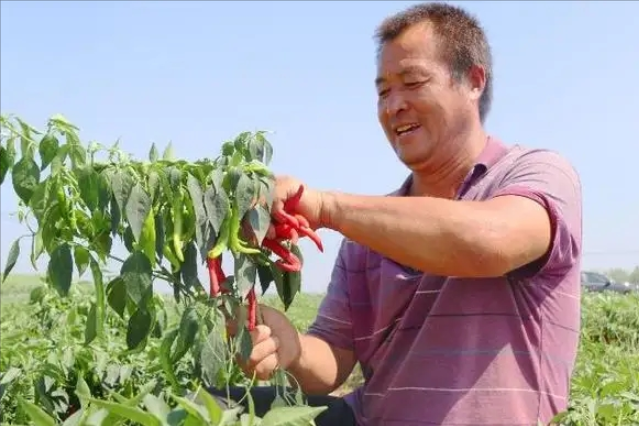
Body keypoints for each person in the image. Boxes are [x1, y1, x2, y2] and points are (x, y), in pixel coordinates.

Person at [209, 2, 583, 425]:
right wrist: (291, 347)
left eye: (413, 82)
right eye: (384, 91)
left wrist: (326, 207)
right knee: (200, 409)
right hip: (370, 417)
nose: (393, 106)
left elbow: (489, 242)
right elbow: (333, 359)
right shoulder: (369, 232)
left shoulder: (537, 174)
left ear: (474, 81)